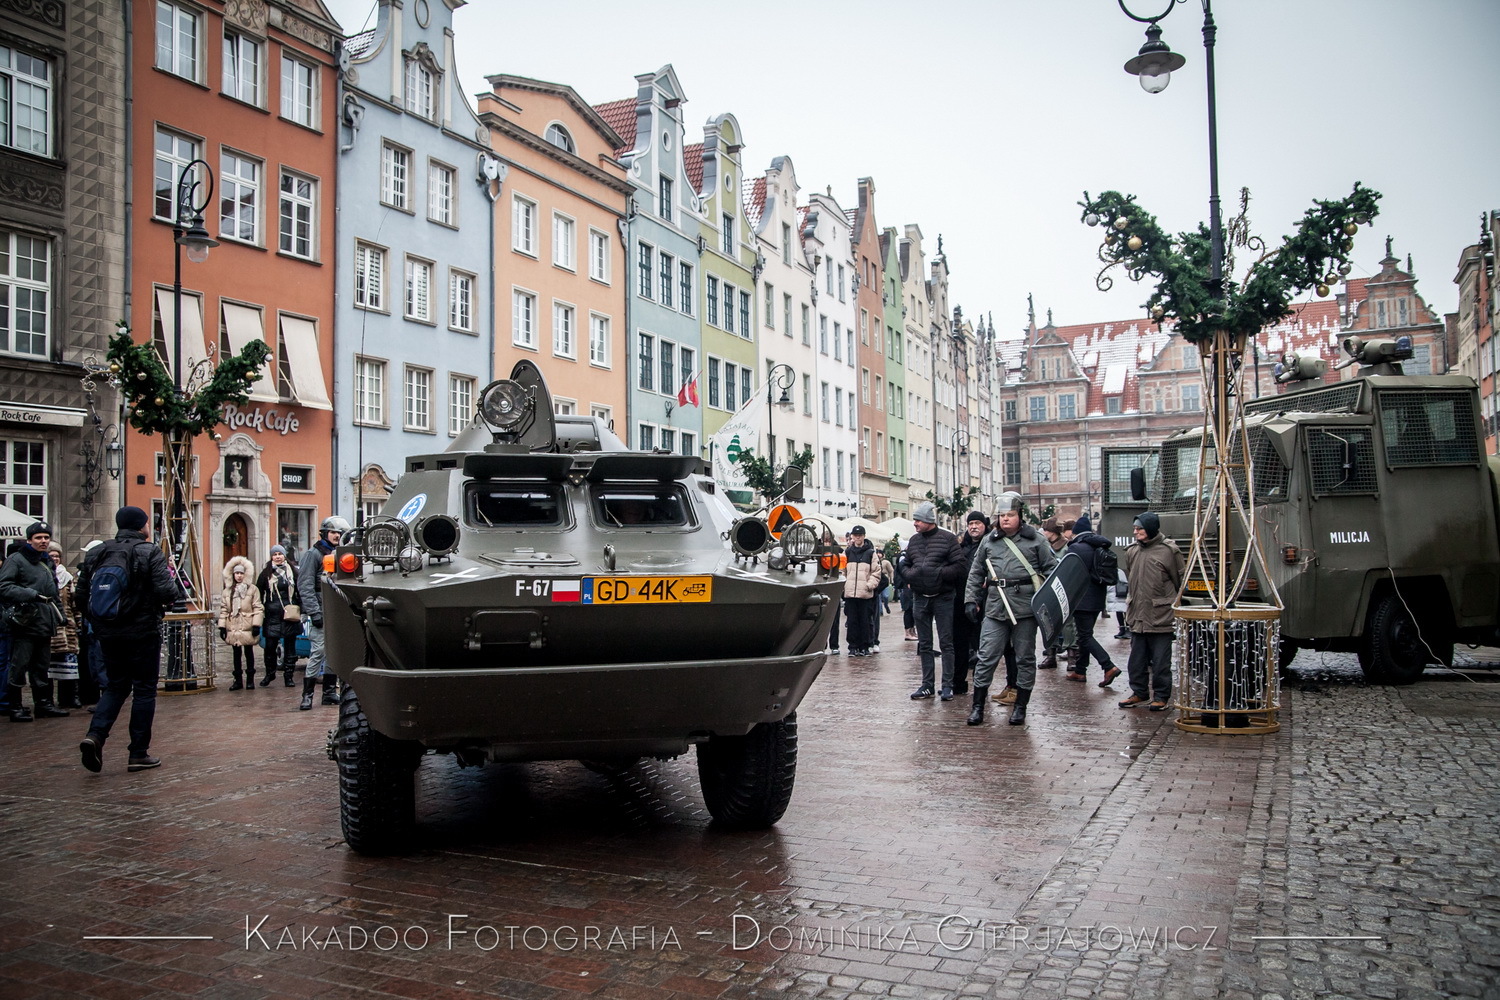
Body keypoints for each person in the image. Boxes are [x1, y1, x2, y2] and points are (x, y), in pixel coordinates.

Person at [78, 505, 183, 772]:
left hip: (109, 632)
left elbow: (80, 596)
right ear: (141, 526)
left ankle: (95, 735)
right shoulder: (149, 551)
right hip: (143, 632)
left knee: (115, 686)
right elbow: (167, 591)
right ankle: (138, 752)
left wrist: (100, 623)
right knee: (144, 689)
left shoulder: (97, 551)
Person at [964, 493, 1057, 725]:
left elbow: (1053, 570)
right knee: (986, 657)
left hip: (1025, 609)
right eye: (1002, 515)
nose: (1005, 519)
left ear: (1020, 515)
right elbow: (976, 572)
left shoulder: (1036, 539)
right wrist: (971, 599)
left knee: (1025, 658)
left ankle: (1020, 706)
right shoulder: (989, 540)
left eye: (1010, 515)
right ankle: (977, 707)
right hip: (995, 607)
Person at [0, 521, 67, 721]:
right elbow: (4, 586)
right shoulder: (16, 560)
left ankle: (43, 704)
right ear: (29, 540)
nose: (43, 541)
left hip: (44, 621)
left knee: (42, 665)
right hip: (24, 622)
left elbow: (53, 592)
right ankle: (15, 706)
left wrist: (61, 615)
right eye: (39, 538)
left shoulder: (46, 561)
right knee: (19, 665)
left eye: (46, 537)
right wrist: (29, 594)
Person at [1119, 511, 1185, 711]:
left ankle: (1162, 696)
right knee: (1136, 661)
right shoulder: (1131, 551)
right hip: (1138, 615)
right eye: (1135, 528)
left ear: (1150, 528)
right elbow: (1132, 578)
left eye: (1139, 528)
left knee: (1160, 663)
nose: (1135, 532)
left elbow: (1179, 581)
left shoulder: (1169, 550)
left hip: (1160, 616)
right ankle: (1139, 693)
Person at [904, 501, 967, 701]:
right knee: (924, 644)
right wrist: (910, 574)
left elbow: (959, 566)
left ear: (928, 521)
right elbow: (904, 563)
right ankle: (927, 685)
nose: (914, 523)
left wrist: (938, 574)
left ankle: (947, 685)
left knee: (946, 643)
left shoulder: (948, 539)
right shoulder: (914, 541)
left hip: (943, 598)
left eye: (918, 520)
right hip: (920, 597)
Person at [298, 515, 349, 710]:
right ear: (325, 533)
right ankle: (307, 695)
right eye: (334, 532)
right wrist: (314, 612)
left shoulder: (343, 554)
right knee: (318, 651)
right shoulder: (314, 554)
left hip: (339, 611)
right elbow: (305, 585)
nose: (337, 536)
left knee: (334, 653)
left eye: (340, 533)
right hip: (321, 609)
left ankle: (329, 692)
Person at [1063, 515, 1121, 686]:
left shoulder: (1076, 549)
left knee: (1085, 636)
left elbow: (1068, 575)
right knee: (1084, 635)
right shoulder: (1100, 546)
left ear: (1076, 532)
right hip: (1097, 600)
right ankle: (1080, 671)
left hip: (1081, 599)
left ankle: (1108, 666)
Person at [950, 511, 988, 695]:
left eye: (977, 523)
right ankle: (958, 683)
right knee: (959, 644)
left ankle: (981, 686)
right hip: (960, 603)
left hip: (984, 604)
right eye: (971, 523)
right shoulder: (961, 548)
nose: (973, 526)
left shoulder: (990, 546)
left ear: (984, 525)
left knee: (983, 646)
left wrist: (979, 598)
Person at [256, 544, 300, 687]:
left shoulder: (292, 572)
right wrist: (261, 610)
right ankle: (270, 673)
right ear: (271, 557)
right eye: (275, 554)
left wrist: (302, 609)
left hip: (290, 614)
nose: (278, 557)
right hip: (272, 615)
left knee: (290, 647)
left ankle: (289, 676)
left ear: (284, 555)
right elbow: (259, 593)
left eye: (280, 554)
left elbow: (300, 591)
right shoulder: (265, 574)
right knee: (270, 647)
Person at [217, 556, 264, 690]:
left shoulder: (253, 589)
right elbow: (224, 609)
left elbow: (258, 607)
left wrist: (256, 625)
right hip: (233, 625)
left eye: (241, 573)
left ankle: (250, 680)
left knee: (249, 652)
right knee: (236, 653)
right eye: (237, 573)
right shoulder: (227, 591)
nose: (239, 576)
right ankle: (237, 680)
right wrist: (222, 626)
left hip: (247, 624)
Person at [47, 542, 82, 708]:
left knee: (68, 665)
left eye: (57, 556)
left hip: (67, 626)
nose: (55, 559)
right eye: (51, 556)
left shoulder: (67, 577)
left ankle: (68, 698)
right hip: (49, 627)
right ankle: (47, 699)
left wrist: (78, 622)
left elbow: (74, 604)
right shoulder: (44, 575)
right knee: (48, 665)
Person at [842, 526, 880, 656]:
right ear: (852, 536)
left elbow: (876, 572)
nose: (857, 537)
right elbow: (843, 571)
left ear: (864, 536)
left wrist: (869, 585)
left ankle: (864, 645)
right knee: (852, 621)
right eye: (855, 535)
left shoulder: (870, 553)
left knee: (865, 621)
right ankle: (853, 646)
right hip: (851, 593)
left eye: (860, 535)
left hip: (864, 594)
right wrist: (845, 585)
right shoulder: (847, 552)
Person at [867, 542, 894, 654]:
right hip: (864, 594)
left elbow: (885, 578)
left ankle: (874, 642)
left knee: (874, 618)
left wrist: (875, 590)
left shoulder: (879, 562)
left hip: (873, 593)